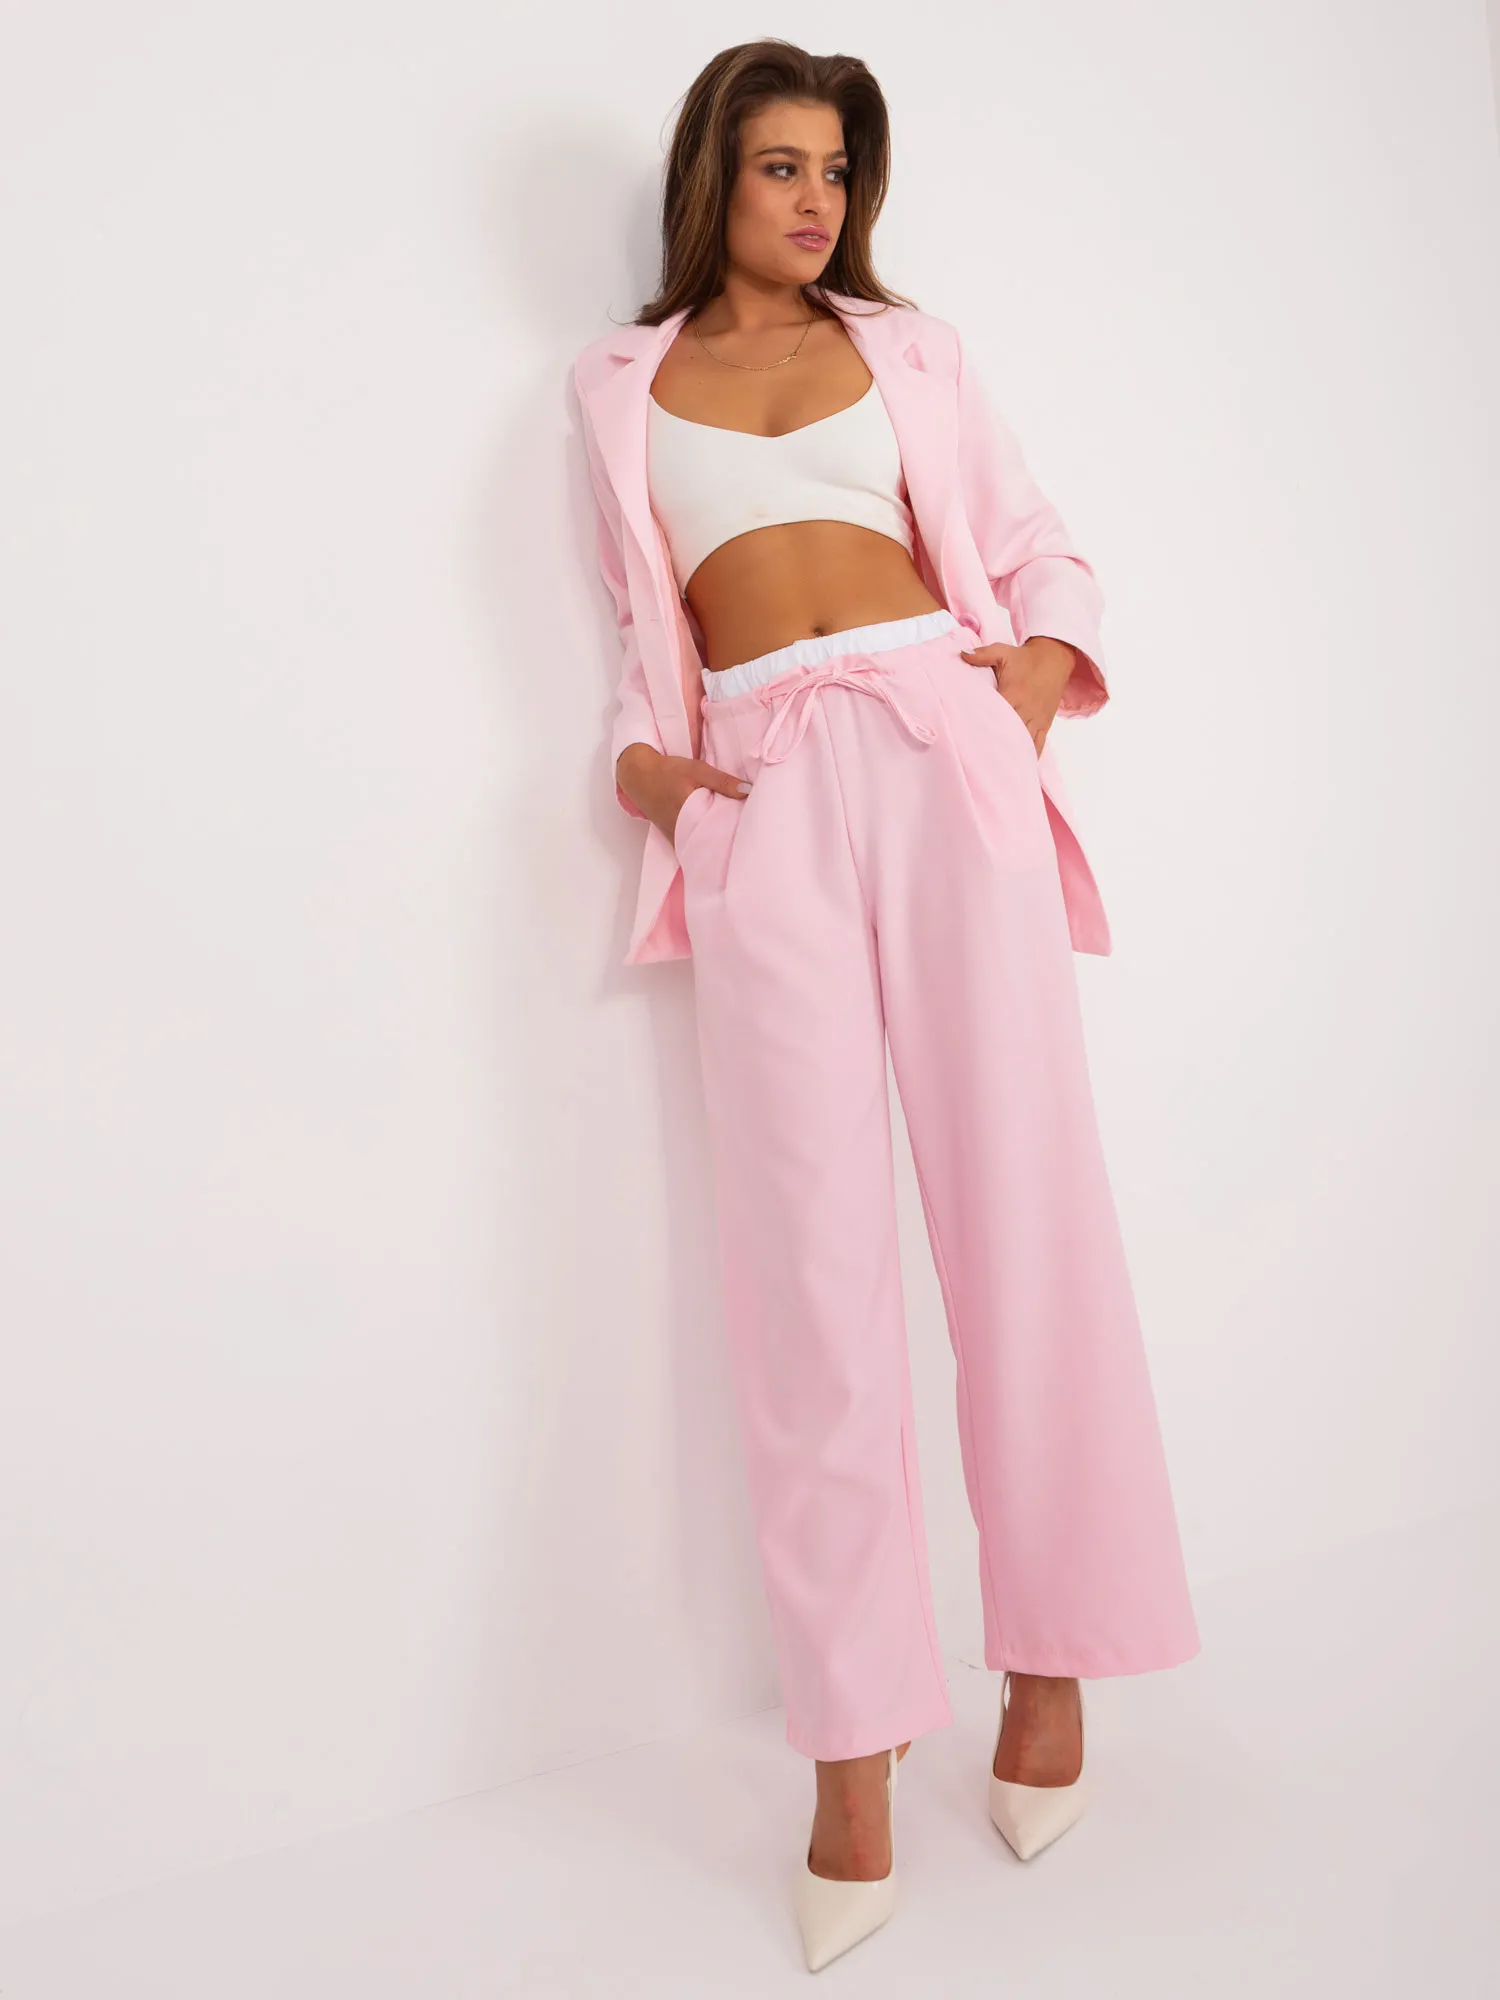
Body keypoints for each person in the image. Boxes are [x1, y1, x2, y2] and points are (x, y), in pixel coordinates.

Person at [570, 39, 1200, 1973]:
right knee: (809, 1280)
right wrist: (656, 778)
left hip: (940, 746)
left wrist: (1029, 686)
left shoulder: (911, 352)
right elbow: (634, 638)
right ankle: (853, 1749)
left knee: (1026, 1221)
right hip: (760, 792)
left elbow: (1040, 546)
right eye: (780, 165)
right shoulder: (616, 384)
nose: (815, 199)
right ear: (715, 176)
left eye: (836, 169)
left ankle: (1053, 1661)